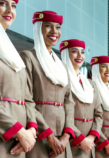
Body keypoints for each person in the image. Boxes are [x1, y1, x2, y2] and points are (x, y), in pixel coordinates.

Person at [19, 11, 75, 158]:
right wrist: (48, 135)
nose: (54, 32)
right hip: (39, 134)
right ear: (38, 29)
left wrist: (67, 135)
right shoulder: (28, 57)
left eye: (58, 27)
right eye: (48, 26)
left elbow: (69, 102)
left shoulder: (62, 66)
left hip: (63, 139)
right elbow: (27, 100)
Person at [0, 0, 37, 158]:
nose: (9, 10)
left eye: (13, 6)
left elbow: (28, 98)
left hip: (20, 140)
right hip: (6, 133)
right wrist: (19, 131)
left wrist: (31, 130)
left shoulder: (12, 51)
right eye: (2, 3)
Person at [60, 39, 103, 158]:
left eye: (83, 52)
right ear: (65, 54)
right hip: (70, 142)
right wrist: (81, 139)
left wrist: (91, 137)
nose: (80, 56)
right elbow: (61, 114)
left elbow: (99, 114)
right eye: (74, 51)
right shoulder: (60, 80)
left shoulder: (91, 84)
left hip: (89, 144)